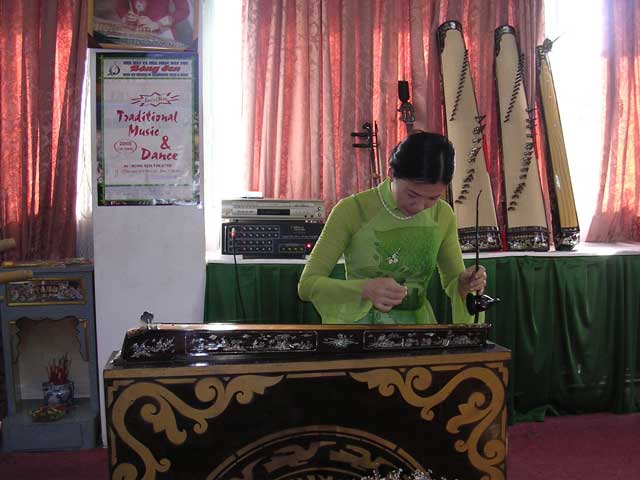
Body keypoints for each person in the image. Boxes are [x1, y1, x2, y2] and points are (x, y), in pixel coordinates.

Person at [298, 131, 486, 324]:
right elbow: (307, 285)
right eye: (412, 195)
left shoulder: (442, 215)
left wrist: (465, 284)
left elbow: (454, 282)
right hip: (359, 332)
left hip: (418, 331)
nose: (420, 207)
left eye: (432, 198)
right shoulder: (353, 210)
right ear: (392, 173)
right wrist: (364, 289)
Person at [116, 0, 190, 41]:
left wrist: (158, 24)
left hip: (162, 34)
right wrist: (127, 17)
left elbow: (183, 10)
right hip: (136, 33)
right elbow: (121, 8)